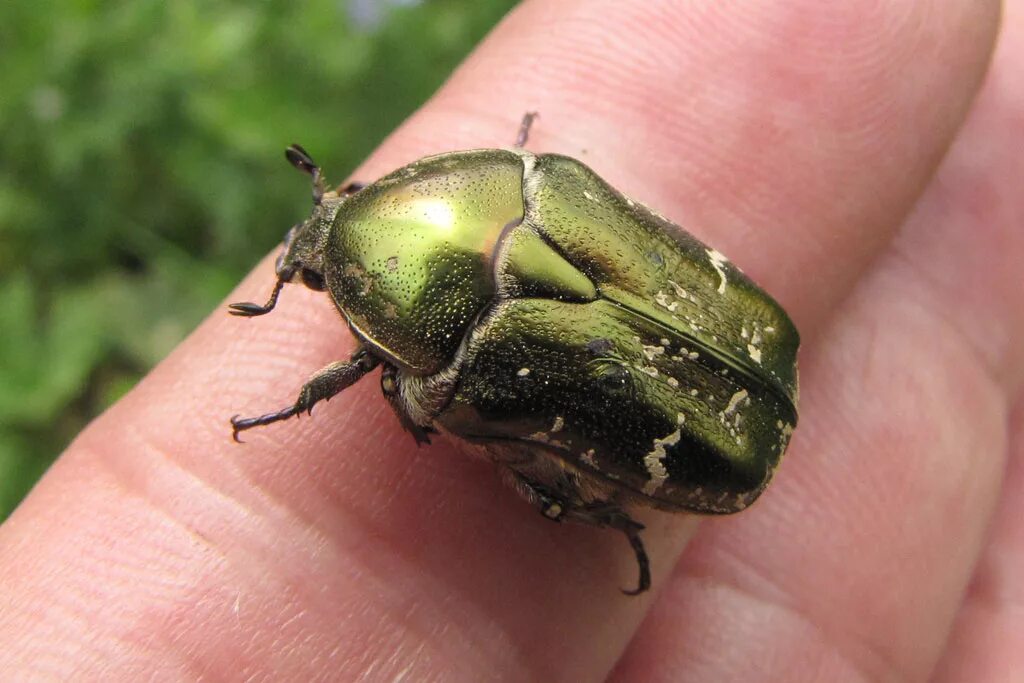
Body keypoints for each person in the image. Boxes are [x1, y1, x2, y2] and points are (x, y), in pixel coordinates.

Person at [1, 0, 1018, 679]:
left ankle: (585, 512)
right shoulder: (534, 188)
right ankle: (592, 513)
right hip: (736, 377)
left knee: (464, 432)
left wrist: (309, 393)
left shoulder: (447, 360)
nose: (310, 255)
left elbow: (400, 402)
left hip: (727, 396)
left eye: (318, 260)